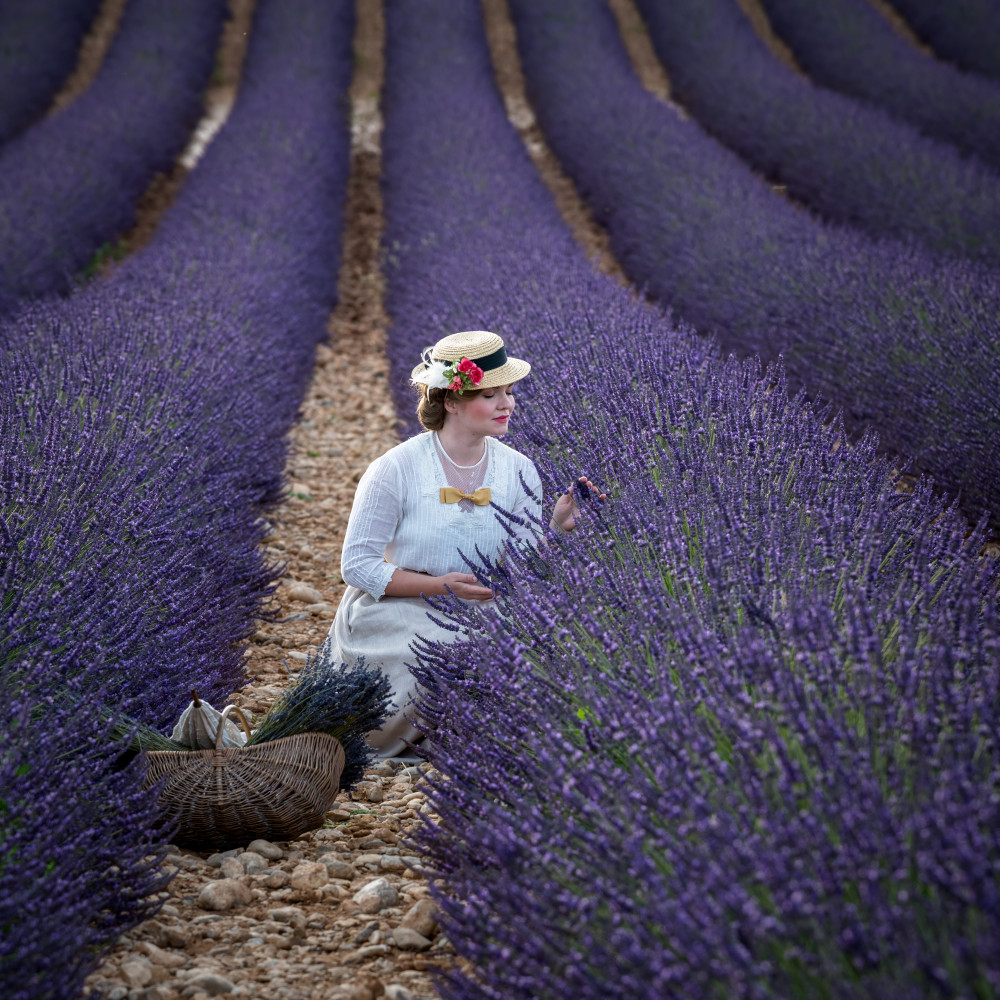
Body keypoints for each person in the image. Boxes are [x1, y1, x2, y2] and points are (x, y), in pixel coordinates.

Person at [320, 330, 604, 759]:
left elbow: (522, 567)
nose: (508, 404)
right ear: (451, 402)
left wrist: (557, 529)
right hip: (400, 607)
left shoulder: (518, 470)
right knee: (454, 652)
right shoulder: (395, 469)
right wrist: (439, 587)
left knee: (553, 647)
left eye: (509, 392)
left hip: (482, 604)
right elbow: (357, 565)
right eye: (492, 395)